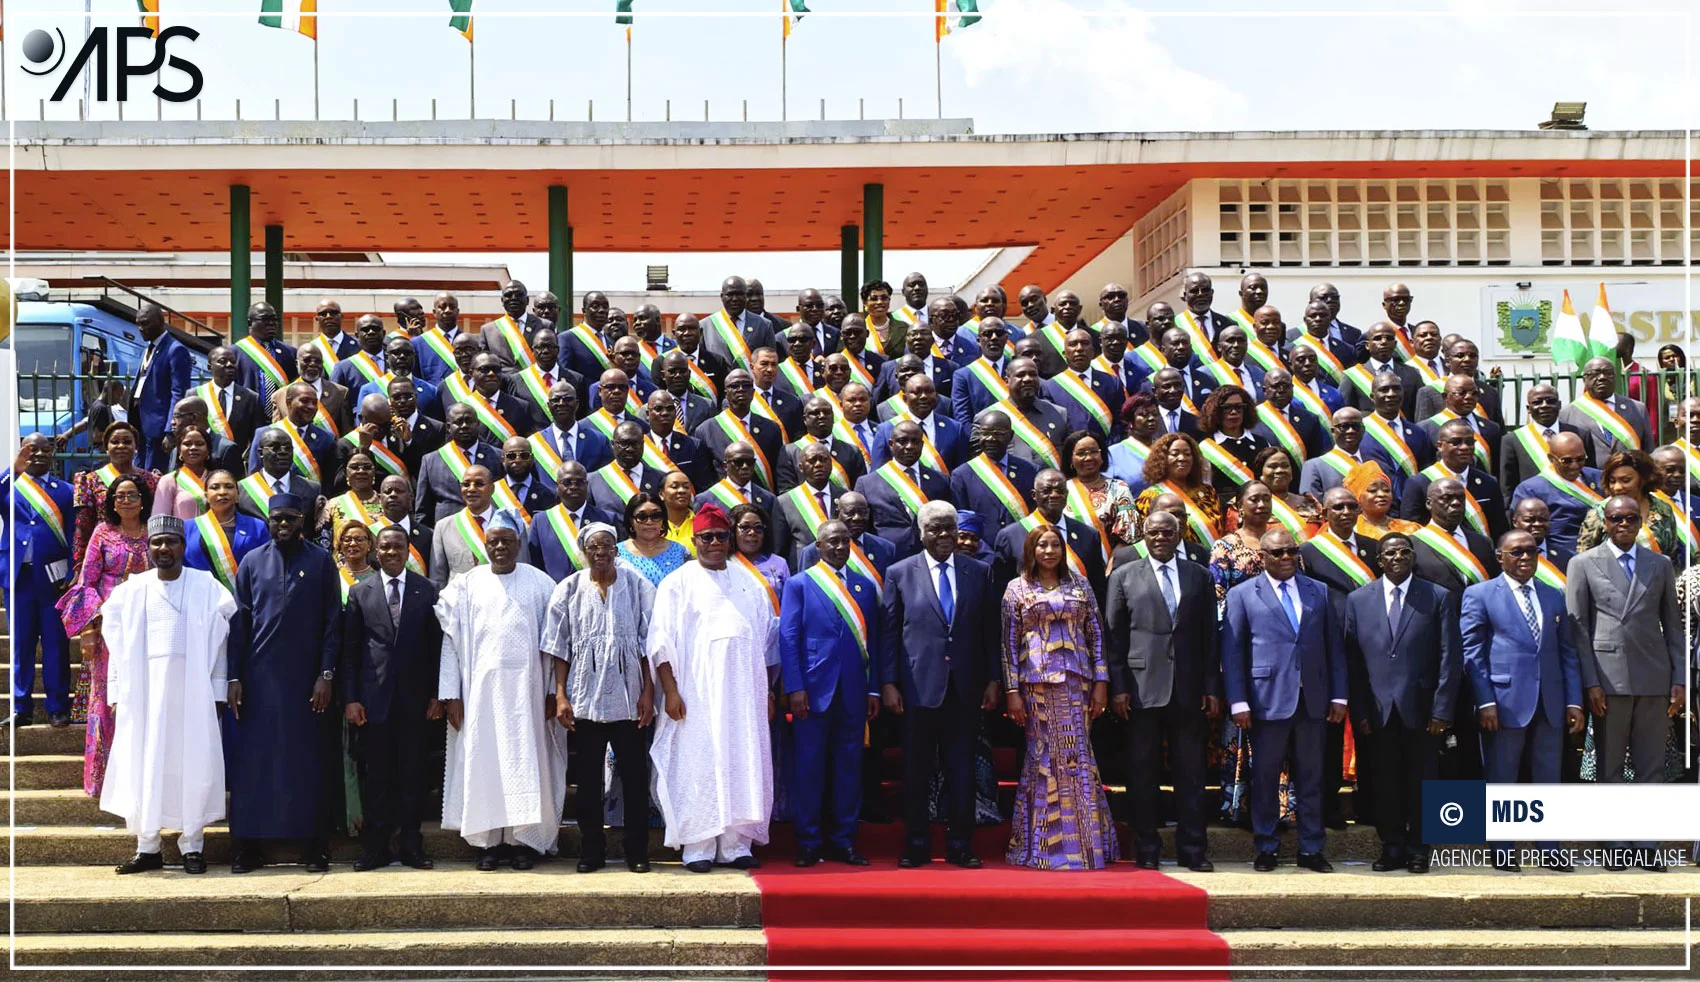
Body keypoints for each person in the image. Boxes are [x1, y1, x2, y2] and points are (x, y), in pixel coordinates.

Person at [99, 515, 236, 876]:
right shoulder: (130, 590)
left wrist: (218, 688)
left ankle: (192, 845)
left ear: (182, 546)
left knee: (192, 763)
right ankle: (147, 847)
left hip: (192, 691)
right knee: (145, 763)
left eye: (171, 542)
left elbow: (221, 643)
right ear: (149, 546)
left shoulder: (206, 586)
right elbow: (115, 645)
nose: (164, 548)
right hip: (143, 692)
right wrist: (116, 690)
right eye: (157, 542)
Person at [648, 503, 781, 872]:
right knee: (699, 763)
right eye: (706, 537)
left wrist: (767, 691)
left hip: (744, 694)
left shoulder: (749, 583)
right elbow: (660, 642)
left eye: (721, 536)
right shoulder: (678, 582)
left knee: (742, 760)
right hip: (696, 694)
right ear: (694, 540)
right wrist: (671, 691)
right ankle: (699, 845)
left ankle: (737, 843)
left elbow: (765, 642)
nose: (714, 543)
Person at [435, 509, 566, 870]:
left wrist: (554, 692)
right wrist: (451, 695)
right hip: (480, 695)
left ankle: (524, 841)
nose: (499, 548)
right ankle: (489, 843)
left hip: (529, 694)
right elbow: (451, 642)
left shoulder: (541, 584)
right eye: (493, 542)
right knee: (486, 763)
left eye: (506, 542)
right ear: (485, 544)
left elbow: (554, 644)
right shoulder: (465, 585)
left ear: (518, 544)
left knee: (526, 763)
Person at [226, 493, 343, 874]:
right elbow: (240, 623)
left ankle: (314, 845)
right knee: (255, 765)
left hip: (307, 683)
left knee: (307, 762)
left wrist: (326, 674)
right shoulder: (252, 561)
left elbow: (331, 622)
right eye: (276, 519)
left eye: (290, 519)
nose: (282, 526)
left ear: (302, 522)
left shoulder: (321, 561)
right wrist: (234, 676)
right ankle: (248, 846)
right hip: (259, 681)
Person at [1222, 528, 1348, 873]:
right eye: (1277, 553)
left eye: (1291, 551)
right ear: (1262, 557)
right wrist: (1238, 701)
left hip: (1313, 700)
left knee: (1312, 778)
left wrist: (1338, 695)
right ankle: (1266, 846)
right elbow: (1233, 653)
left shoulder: (1318, 591)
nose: (1286, 558)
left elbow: (1333, 647)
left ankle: (1311, 849)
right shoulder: (1243, 594)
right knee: (1264, 778)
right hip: (1265, 701)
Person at [880, 502, 999, 869]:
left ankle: (961, 846)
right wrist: (888, 683)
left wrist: (994, 679)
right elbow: (889, 634)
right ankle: (916, 845)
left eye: (950, 528)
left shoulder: (979, 572)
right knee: (915, 771)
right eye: (936, 528)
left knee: (961, 770)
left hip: (965, 688)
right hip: (917, 688)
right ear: (921, 532)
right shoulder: (900, 573)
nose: (944, 535)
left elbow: (988, 632)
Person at [1462, 530, 1583, 872]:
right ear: (1500, 557)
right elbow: (1472, 654)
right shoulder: (1480, 595)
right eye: (1517, 553)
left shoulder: (1552, 595)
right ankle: (1502, 848)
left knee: (1549, 778)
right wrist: (1485, 701)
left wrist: (1573, 701)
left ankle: (1550, 848)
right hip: (1503, 702)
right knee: (1503, 777)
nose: (1526, 558)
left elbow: (1567, 653)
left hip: (1551, 700)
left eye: (1531, 551)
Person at [1104, 510, 1217, 871]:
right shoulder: (1123, 576)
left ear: (1179, 533)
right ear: (1144, 535)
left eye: (1168, 532)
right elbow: (1114, 638)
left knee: (1191, 774)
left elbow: (1210, 638)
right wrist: (1118, 688)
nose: (1160, 538)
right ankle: (1148, 849)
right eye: (1153, 533)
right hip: (1141, 688)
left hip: (1188, 688)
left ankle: (1193, 850)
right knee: (1143, 773)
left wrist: (1212, 687)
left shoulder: (1199, 575)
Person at [1341, 532, 1459, 874]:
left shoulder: (1437, 597)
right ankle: (1391, 847)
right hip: (1377, 712)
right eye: (1390, 553)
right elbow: (1353, 662)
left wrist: (1442, 710)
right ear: (1379, 560)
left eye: (1404, 552)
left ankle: (1420, 849)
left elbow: (1449, 658)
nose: (1397, 558)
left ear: (1413, 557)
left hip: (1422, 711)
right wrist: (1360, 711)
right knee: (1383, 782)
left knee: (1422, 784)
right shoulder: (1358, 600)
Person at [543, 522, 657, 874]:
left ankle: (636, 851)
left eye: (607, 545)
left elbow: (650, 642)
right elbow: (558, 647)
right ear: (585, 552)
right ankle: (591, 851)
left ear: (617, 550)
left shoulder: (638, 585)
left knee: (635, 778)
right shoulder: (569, 588)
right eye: (594, 547)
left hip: (629, 697)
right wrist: (560, 695)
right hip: (585, 698)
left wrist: (648, 693)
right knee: (589, 781)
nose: (601, 552)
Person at [1000, 525, 1116, 871]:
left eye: (1054, 545)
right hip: (1035, 685)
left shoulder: (1080, 584)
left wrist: (1101, 681)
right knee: (1042, 758)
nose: (1049, 551)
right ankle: (1042, 848)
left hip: (1077, 684)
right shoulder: (1016, 589)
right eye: (1042, 545)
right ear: (1031, 551)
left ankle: (1086, 845)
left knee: (1078, 757)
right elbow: (1008, 644)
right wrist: (1011, 692)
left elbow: (1095, 634)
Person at [1568, 497, 1685, 831]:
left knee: (1652, 768)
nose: (1624, 525)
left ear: (1640, 523)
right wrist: (1590, 683)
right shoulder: (1584, 563)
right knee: (1611, 767)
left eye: (1631, 518)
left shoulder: (1659, 564)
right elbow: (1579, 628)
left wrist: (1679, 678)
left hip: (1654, 676)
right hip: (1608, 679)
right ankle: (1616, 843)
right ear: (1604, 523)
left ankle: (1647, 843)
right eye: (1616, 518)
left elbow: (1674, 627)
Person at [780, 519, 882, 867]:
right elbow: (789, 637)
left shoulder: (864, 586)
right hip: (811, 690)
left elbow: (874, 643)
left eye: (844, 542)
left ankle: (844, 841)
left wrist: (873, 690)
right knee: (809, 767)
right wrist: (794, 687)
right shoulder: (800, 584)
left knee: (849, 768)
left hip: (854, 691)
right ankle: (808, 842)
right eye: (832, 542)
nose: (839, 547)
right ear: (818, 547)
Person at [340, 526, 442, 871]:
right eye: (385, 547)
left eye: (397, 546)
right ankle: (376, 848)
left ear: (407, 550)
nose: (391, 552)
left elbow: (436, 650)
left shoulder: (427, 590)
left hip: (415, 702)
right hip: (374, 702)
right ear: (375, 551)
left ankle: (411, 845)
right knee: (378, 778)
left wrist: (436, 695)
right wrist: (351, 699)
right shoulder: (360, 592)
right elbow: (350, 652)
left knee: (413, 777)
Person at [57, 473, 153, 795]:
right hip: (109, 625)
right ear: (112, 503)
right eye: (119, 496)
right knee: (106, 698)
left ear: (143, 500)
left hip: (149, 624)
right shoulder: (102, 532)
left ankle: (140, 776)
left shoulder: (154, 533)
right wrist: (89, 630)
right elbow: (87, 583)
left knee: (143, 695)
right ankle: (102, 779)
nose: (125, 501)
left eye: (132, 495)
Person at [5, 436, 78, 728]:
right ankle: (20, 707)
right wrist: (14, 467)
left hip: (53, 580)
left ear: (53, 453)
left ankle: (58, 706)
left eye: (44, 449)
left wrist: (73, 570)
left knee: (55, 644)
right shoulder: (10, 485)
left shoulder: (66, 491)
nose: (37, 454)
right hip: (19, 577)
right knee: (20, 646)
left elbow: (75, 534)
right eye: (31, 449)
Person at [1400, 419, 1510, 545]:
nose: (1464, 447)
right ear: (1440, 446)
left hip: (1480, 557)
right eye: (1456, 442)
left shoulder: (1488, 482)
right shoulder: (1419, 483)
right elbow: (1412, 529)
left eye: (1469, 442)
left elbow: (1500, 529)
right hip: (1440, 555)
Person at [71, 422, 159, 570]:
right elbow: (83, 524)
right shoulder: (90, 481)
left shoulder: (151, 480)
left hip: (144, 552)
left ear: (135, 446)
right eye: (115, 442)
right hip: (105, 554)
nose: (121, 446)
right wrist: (79, 563)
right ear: (106, 447)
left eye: (127, 442)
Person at [949, 408, 1037, 544]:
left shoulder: (1028, 470)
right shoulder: (962, 475)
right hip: (981, 551)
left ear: (1011, 436)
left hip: (1021, 546)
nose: (990, 439)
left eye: (998, 434)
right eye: (985, 434)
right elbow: (963, 522)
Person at [1508, 432, 1601, 558]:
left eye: (1580, 459)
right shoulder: (1531, 489)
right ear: (1552, 459)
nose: (1574, 465)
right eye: (1566, 461)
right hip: (1563, 558)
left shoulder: (1600, 478)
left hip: (1604, 554)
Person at [1576, 449, 1680, 556]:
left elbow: (1672, 556)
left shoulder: (1663, 510)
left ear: (1644, 479)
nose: (1617, 487)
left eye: (1625, 480)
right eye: (1612, 481)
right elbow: (1584, 559)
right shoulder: (1599, 513)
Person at [414, 404, 504, 527]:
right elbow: (423, 511)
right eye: (458, 422)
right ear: (448, 427)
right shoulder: (431, 461)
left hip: (490, 530)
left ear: (478, 423)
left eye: (469, 421)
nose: (464, 426)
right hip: (450, 533)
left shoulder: (497, 456)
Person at [1559, 357, 1654, 468]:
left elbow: (1648, 450)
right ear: (1585, 379)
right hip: (1589, 481)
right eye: (1595, 374)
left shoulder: (1637, 408)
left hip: (1630, 480)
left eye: (1608, 373)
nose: (1602, 378)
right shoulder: (1567, 413)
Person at [131, 302, 192, 470]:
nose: (140, 328)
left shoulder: (175, 350)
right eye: (138, 324)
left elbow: (179, 393)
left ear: (160, 322)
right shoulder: (148, 349)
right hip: (141, 425)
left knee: (154, 477)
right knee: (139, 474)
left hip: (159, 429)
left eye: (145, 323)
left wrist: (170, 431)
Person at [183, 470, 269, 591]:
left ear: (238, 495)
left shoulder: (257, 526)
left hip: (246, 600)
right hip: (199, 597)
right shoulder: (187, 527)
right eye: (215, 487)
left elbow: (266, 566)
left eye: (229, 487)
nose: (222, 492)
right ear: (206, 496)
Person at [1132, 432, 1221, 546]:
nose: (1182, 458)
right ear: (1162, 459)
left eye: (1187, 454)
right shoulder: (1150, 497)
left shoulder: (1208, 493)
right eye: (1175, 454)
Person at [1060, 429, 1136, 550]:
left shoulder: (1119, 488)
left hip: (1113, 563)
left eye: (1094, 452)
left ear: (1102, 456)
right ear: (1070, 459)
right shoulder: (1061, 490)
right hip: (1071, 563)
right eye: (1081, 453)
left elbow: (1129, 534)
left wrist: (1112, 565)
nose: (1089, 457)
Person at [618, 491, 691, 586]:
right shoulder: (617, 553)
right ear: (631, 521)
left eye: (656, 516)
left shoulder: (681, 552)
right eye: (642, 517)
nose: (649, 522)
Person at [1247, 446, 1319, 535]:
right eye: (1272, 466)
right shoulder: (1248, 504)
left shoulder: (1310, 502)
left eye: (1285, 466)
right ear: (1260, 473)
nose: (1280, 470)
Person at [1298, 408, 1367, 497]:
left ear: (1363, 429)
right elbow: (1311, 506)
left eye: (1356, 426)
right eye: (1344, 426)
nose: (1350, 431)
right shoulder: (1314, 466)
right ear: (1333, 431)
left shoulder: (1375, 462)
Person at [326, 450, 383, 550]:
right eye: (354, 467)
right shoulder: (332, 505)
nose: (361, 471)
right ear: (346, 472)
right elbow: (323, 545)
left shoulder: (387, 503)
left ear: (374, 471)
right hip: (342, 565)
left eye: (367, 467)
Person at [1106, 392, 1161, 495]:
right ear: (1130, 421)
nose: (1151, 418)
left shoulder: (1165, 449)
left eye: (1155, 414)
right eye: (1143, 415)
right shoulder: (1113, 454)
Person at [151, 428, 212, 521]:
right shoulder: (169, 480)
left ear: (208, 450)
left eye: (199, 444)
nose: (193, 448)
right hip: (182, 535)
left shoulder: (216, 479)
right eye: (187, 444)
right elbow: (159, 520)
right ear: (179, 450)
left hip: (215, 535)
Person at [1349, 461, 1420, 540]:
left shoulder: (1411, 528)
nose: (1381, 494)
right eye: (1373, 490)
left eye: (1386, 490)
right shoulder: (1353, 530)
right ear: (1358, 496)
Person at [660, 470, 698, 554]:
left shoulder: (701, 523)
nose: (681, 491)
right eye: (674, 486)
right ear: (661, 494)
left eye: (686, 487)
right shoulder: (653, 526)